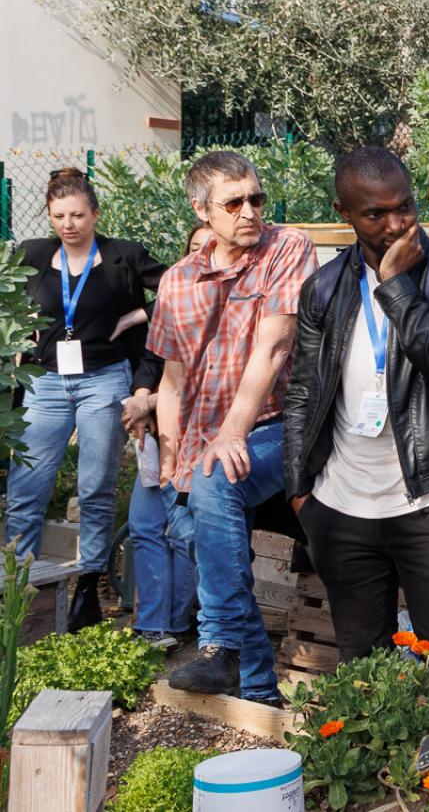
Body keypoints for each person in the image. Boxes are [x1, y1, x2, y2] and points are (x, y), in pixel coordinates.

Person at [283, 147, 429, 705]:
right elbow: (302, 392)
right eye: (376, 214)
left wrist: (397, 288)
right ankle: (383, 787)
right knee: (363, 672)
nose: (397, 223)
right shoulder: (324, 289)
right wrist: (300, 494)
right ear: (344, 213)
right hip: (341, 506)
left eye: (405, 206)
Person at [153, 151, 317, 705]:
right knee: (193, 528)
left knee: (217, 480)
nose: (250, 211)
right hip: (202, 438)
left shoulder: (286, 247)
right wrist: (171, 459)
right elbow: (172, 383)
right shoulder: (176, 282)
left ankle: (219, 645)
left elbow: (273, 348)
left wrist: (231, 434)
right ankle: (258, 689)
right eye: (234, 202)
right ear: (201, 210)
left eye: (256, 198)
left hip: (276, 423)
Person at [6, 168, 167, 631]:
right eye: (59, 215)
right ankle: (21, 592)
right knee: (26, 489)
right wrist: (20, 324)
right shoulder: (32, 255)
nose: (68, 224)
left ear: (95, 214)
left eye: (77, 214)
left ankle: (87, 589)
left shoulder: (124, 256)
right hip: (48, 382)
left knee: (95, 488)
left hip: (104, 380)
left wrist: (138, 313)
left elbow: (184, 285)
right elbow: (7, 297)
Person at [121, 222, 214, 647]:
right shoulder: (171, 300)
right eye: (193, 247)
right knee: (143, 525)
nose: (200, 254)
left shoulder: (229, 307)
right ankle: (151, 625)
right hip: (159, 434)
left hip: (199, 439)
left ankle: (175, 625)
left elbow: (197, 385)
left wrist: (149, 403)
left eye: (209, 247)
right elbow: (151, 360)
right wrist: (142, 397)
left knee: (180, 535)